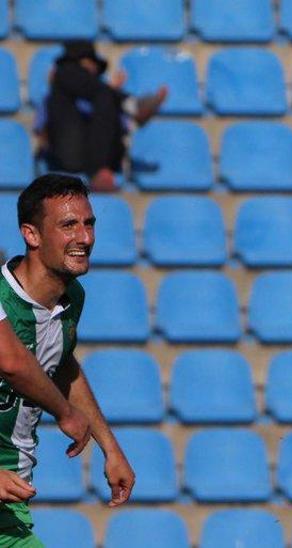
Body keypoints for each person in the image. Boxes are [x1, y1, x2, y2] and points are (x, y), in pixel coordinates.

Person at [0, 174, 134, 545]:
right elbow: (11, 362)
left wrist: (110, 447)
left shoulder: (71, 299)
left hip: (11, 505)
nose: (85, 238)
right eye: (68, 225)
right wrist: (65, 413)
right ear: (32, 235)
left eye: (88, 224)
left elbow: (62, 364)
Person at [42, 40, 166, 191]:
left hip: (96, 154)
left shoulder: (95, 97)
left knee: (107, 100)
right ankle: (132, 105)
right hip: (69, 152)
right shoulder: (64, 77)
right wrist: (113, 92)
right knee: (105, 96)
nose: (94, 71)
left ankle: (132, 107)